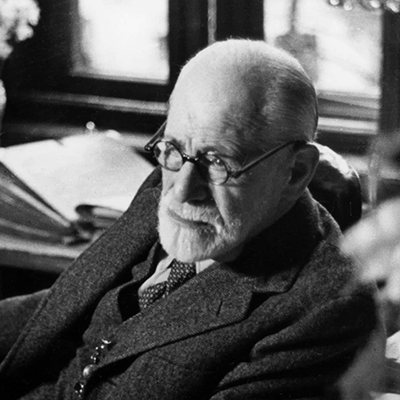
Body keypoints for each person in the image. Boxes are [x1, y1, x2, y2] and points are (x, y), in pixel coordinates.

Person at [0, 39, 384, 399]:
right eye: (173, 148)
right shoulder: (173, 177)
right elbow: (69, 303)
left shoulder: (328, 310)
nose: (182, 191)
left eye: (218, 161)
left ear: (296, 172)